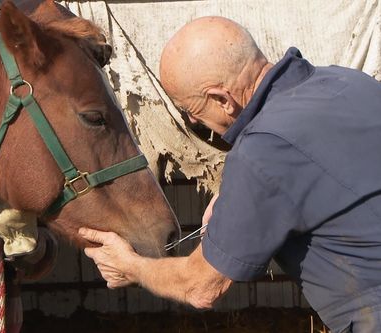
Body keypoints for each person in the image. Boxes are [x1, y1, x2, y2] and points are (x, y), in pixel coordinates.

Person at [79, 16, 381, 333]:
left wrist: (133, 267)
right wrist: (240, 198)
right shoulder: (351, 83)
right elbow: (329, 167)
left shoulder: (262, 149)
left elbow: (201, 286)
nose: (196, 123)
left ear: (222, 99)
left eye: (191, 112)